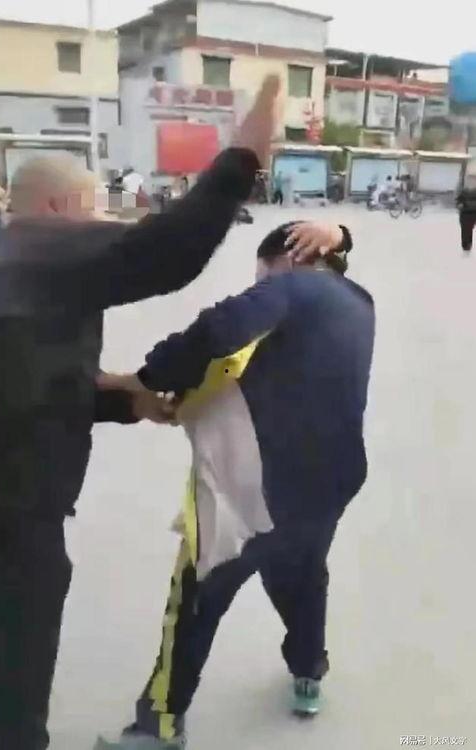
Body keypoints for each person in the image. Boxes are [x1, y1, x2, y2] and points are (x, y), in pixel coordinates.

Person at [0, 75, 281, 750]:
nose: (102, 227)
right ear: (60, 206)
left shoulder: (9, 268)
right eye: (94, 211)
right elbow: (164, 252)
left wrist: (122, 400)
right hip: (5, 524)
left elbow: (18, 382)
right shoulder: (45, 249)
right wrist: (244, 158)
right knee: (9, 685)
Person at [95, 220, 374, 750]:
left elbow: (218, 330)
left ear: (288, 259)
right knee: (301, 576)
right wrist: (341, 233)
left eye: (261, 275)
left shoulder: (291, 287)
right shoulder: (358, 302)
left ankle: (158, 727)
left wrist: (146, 378)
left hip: (253, 492)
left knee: (196, 600)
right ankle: (308, 671)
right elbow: (263, 365)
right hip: (331, 482)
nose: (260, 284)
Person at [456, 174, 476, 252]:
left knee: (468, 229)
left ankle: (467, 245)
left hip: (471, 213)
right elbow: (458, 201)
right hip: (465, 214)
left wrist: (464, 204)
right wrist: (459, 204)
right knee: (466, 230)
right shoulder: (463, 192)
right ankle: (466, 246)